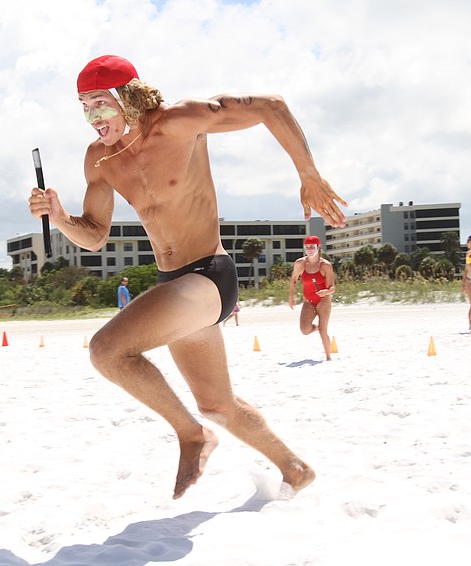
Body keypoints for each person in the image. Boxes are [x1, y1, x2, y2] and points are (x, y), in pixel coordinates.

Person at [28, 55, 346, 499]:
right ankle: (294, 469)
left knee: (106, 351)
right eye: (84, 107)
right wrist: (60, 218)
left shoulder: (179, 121)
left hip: (209, 276)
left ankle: (191, 435)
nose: (92, 117)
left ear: (128, 97)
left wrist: (308, 174)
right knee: (217, 404)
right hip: (175, 285)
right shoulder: (100, 159)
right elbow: (96, 236)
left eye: (100, 103)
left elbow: (271, 106)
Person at [288, 236, 335, 360]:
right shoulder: (300, 263)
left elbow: (332, 288)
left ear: (318, 247)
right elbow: (293, 279)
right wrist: (291, 296)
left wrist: (326, 291)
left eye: (312, 247)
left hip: (324, 300)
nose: (309, 249)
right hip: (308, 300)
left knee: (323, 330)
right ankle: (317, 328)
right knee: (305, 330)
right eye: (307, 247)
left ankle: (328, 357)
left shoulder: (325, 265)